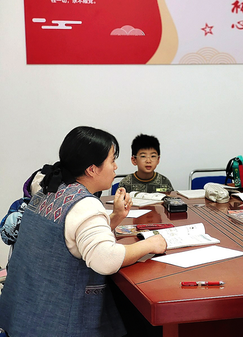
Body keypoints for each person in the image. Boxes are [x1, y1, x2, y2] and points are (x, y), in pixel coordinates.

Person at [0, 126, 167, 337]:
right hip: (58, 324)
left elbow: (72, 235)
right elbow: (106, 260)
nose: (116, 167)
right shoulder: (85, 204)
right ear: (92, 169)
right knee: (141, 319)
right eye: (112, 160)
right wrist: (150, 244)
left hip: (23, 316)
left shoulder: (50, 190)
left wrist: (116, 217)